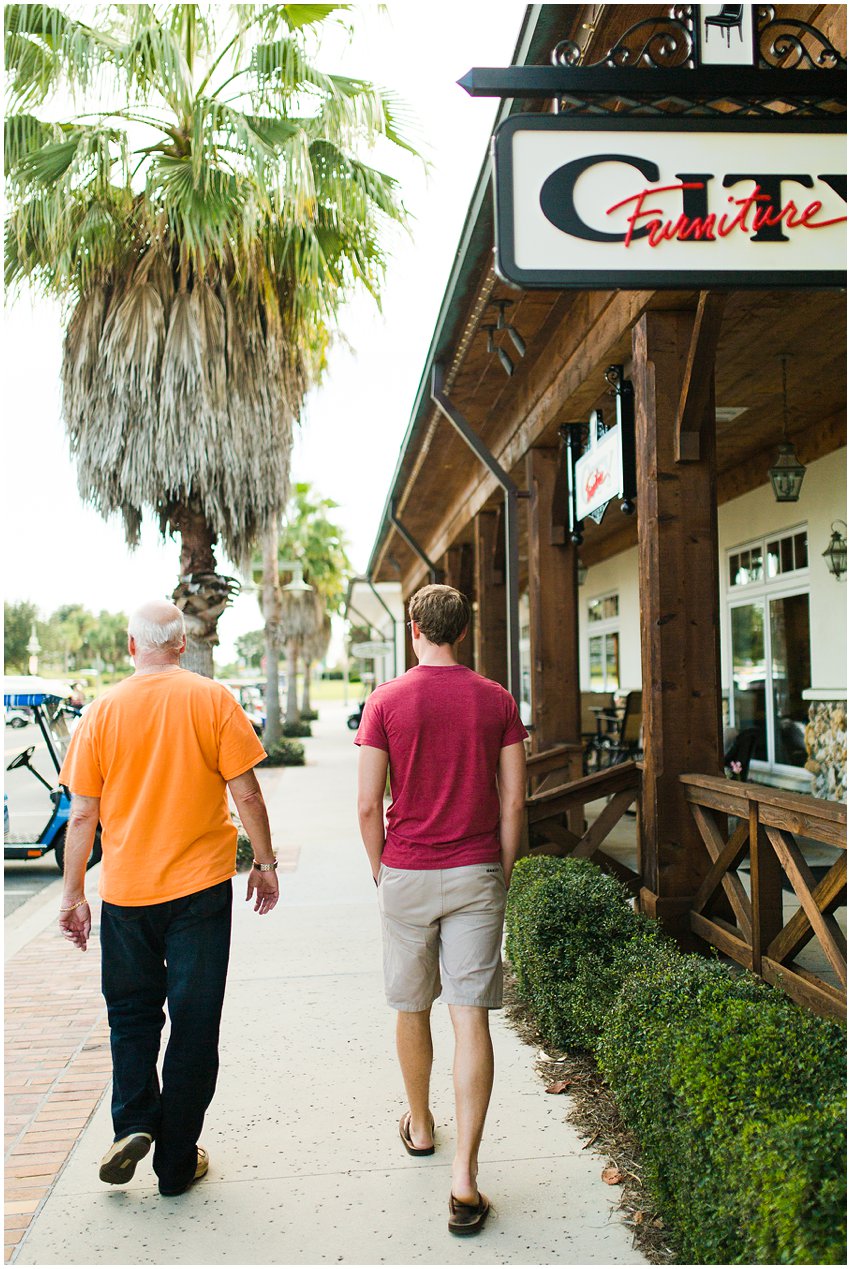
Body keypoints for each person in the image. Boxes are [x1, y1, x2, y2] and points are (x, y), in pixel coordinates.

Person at [58, 599, 279, 1197]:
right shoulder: (211, 699)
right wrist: (263, 863)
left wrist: (74, 895)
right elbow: (248, 793)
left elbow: (82, 817)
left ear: (131, 647)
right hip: (200, 893)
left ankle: (132, 1123)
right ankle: (177, 1162)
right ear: (182, 644)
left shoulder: (100, 713)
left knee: (131, 1018)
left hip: (127, 895)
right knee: (194, 1022)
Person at [356, 583, 527, 1236]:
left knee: (409, 1003)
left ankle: (420, 1125)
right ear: (463, 630)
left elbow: (369, 803)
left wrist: (381, 866)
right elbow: (513, 801)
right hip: (475, 869)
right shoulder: (496, 700)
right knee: (469, 1014)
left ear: (413, 629)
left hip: (406, 870)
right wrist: (500, 869)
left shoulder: (386, 701)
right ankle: (464, 1178)